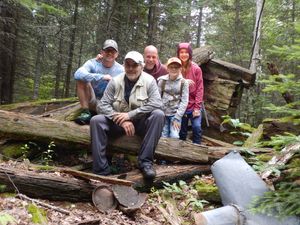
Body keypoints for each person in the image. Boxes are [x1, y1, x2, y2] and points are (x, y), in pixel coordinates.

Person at [90, 51, 164, 179]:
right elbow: (102, 105)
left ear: (141, 66)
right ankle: (101, 170)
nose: (130, 68)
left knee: (158, 114)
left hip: (141, 123)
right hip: (118, 123)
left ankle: (145, 162)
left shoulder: (149, 81)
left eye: (134, 65)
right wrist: (119, 119)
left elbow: (157, 103)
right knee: (96, 120)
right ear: (124, 65)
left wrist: (130, 115)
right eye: (127, 65)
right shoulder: (115, 81)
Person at [74, 39, 124, 125]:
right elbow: (78, 74)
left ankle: (110, 118)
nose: (110, 53)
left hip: (110, 104)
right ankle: (85, 112)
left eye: (113, 51)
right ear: (102, 52)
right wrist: (101, 77)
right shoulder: (93, 63)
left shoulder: (121, 69)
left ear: (117, 54)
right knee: (81, 79)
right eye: (107, 50)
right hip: (93, 100)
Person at [177, 42, 204, 144]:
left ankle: (198, 151)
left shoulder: (196, 69)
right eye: (181, 52)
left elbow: (200, 89)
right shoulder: (176, 67)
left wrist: (197, 107)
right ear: (178, 54)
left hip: (194, 104)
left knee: (196, 127)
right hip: (181, 105)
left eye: (186, 52)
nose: (184, 54)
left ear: (190, 54)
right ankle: (179, 154)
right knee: (182, 131)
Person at [157, 57, 189, 138]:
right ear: (167, 68)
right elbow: (157, 97)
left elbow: (184, 101)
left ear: (180, 69)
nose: (174, 69)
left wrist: (177, 117)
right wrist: (160, 112)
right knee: (163, 135)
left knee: (174, 136)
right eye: (171, 67)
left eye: (176, 67)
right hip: (163, 113)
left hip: (175, 114)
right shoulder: (162, 81)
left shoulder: (184, 83)